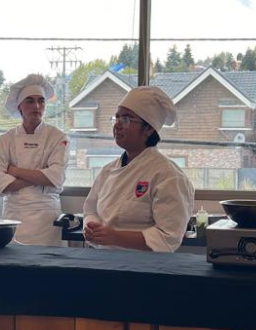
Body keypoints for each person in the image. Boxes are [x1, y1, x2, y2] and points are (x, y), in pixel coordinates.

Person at [83, 86, 195, 252]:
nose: (117, 125)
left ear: (149, 129)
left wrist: (114, 237)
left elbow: (168, 237)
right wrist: (92, 226)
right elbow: (90, 209)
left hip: (144, 269)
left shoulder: (167, 175)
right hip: (104, 262)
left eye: (126, 119)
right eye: (117, 118)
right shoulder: (107, 171)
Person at [0, 74, 68, 246]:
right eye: (30, 101)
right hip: (13, 215)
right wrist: (41, 175)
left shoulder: (57, 137)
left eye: (41, 101)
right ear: (19, 107)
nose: (37, 106)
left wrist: (15, 171)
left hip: (46, 218)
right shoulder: (6, 140)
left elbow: (56, 177)